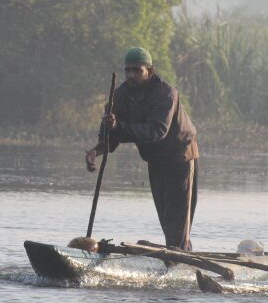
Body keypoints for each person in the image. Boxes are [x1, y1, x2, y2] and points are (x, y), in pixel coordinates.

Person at [85, 47, 199, 251]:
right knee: (166, 217)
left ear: (150, 71)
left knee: (176, 221)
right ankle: (178, 254)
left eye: (137, 70)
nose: (131, 75)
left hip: (179, 157)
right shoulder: (120, 95)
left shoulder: (165, 94)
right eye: (128, 70)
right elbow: (111, 134)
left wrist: (118, 126)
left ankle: (179, 260)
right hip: (155, 159)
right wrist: (97, 150)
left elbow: (157, 131)